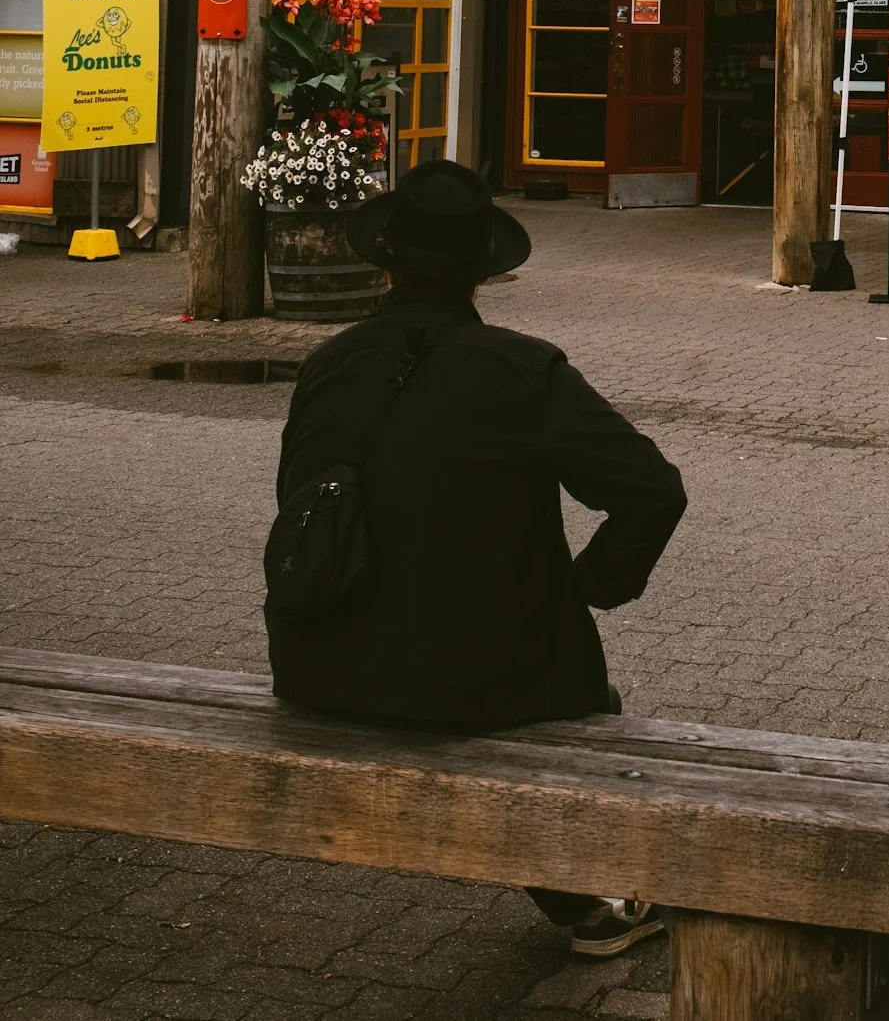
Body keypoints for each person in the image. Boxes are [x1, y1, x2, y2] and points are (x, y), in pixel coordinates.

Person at [267, 160, 687, 958]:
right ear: (484, 274)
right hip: (476, 680)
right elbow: (653, 493)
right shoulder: (522, 370)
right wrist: (585, 590)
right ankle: (595, 903)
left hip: (318, 662)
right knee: (585, 698)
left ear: (386, 262)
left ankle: (588, 901)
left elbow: (300, 500)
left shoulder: (329, 362)